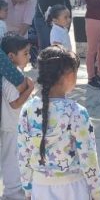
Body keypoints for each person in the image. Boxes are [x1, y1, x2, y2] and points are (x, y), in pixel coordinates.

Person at [18, 46, 100, 200]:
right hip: (74, 188)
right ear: (70, 75)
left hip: (40, 187)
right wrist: (96, 192)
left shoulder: (28, 109)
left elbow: (23, 152)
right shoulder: (77, 112)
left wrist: (28, 189)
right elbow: (88, 156)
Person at [0, 35, 34, 200]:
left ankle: (17, 190)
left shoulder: (16, 74)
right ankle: (12, 193)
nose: (29, 57)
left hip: (15, 125)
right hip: (11, 127)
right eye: (25, 53)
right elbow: (15, 103)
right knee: (11, 160)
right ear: (11, 57)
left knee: (18, 158)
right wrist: (29, 90)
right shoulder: (10, 78)